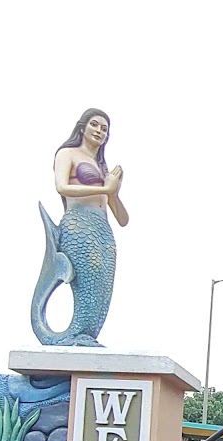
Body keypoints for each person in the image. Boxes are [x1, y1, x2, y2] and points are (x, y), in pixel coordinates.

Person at [33, 108, 130, 346]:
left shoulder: (102, 168)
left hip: (102, 230)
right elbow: (62, 187)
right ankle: (75, 336)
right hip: (79, 226)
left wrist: (114, 193)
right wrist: (104, 189)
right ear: (83, 127)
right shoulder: (68, 154)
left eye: (105, 129)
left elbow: (123, 219)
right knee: (88, 280)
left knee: (102, 287)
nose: (99, 131)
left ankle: (86, 337)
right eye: (95, 125)